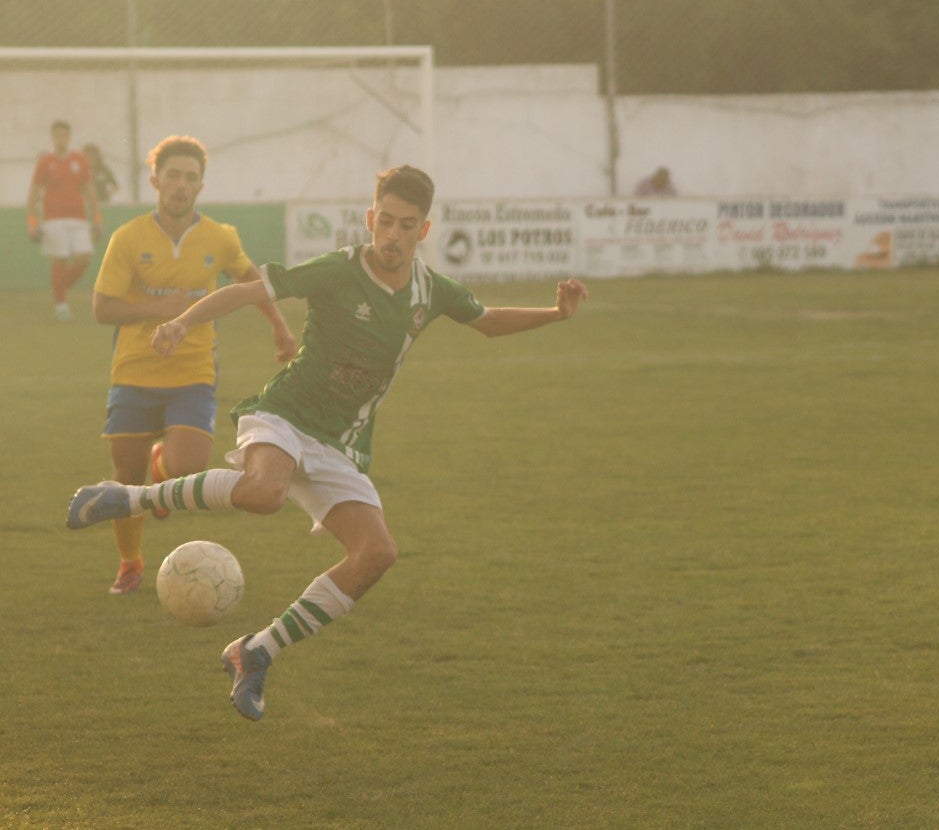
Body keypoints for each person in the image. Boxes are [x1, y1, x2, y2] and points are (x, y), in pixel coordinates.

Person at [67, 165, 590, 722]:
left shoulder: (430, 290)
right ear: (370, 218)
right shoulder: (339, 269)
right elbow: (244, 291)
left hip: (340, 442)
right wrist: (182, 323)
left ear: (424, 230)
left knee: (376, 554)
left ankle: (256, 651)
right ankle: (127, 498)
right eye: (384, 221)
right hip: (284, 414)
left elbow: (487, 320)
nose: (392, 235)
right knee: (264, 492)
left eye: (406, 225)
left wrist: (556, 314)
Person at [89, 135, 297, 595]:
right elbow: (103, 308)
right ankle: (130, 562)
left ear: (200, 186)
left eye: (190, 177)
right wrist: (160, 308)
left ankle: (164, 469)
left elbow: (250, 281)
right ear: (155, 181)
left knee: (188, 466)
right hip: (134, 372)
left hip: (193, 372)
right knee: (127, 476)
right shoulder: (129, 237)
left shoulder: (220, 238)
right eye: (173, 175)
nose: (180, 185)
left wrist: (279, 326)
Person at [27, 120, 101, 321]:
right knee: (60, 258)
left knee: (84, 258)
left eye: (64, 135)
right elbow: (34, 192)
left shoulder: (79, 159)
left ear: (69, 137)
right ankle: (61, 305)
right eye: (57, 135)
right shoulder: (45, 161)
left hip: (78, 218)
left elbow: (89, 189)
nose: (61, 139)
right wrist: (32, 222)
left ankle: (58, 289)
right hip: (53, 219)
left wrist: (96, 218)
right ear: (52, 137)